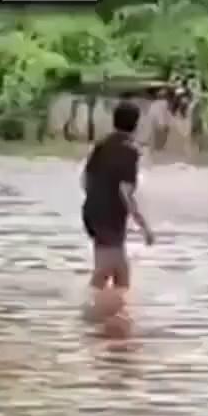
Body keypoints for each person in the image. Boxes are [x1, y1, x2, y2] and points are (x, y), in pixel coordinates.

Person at [81, 100, 154, 298]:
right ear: (136, 124)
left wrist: (97, 199)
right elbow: (125, 192)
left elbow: (85, 180)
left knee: (121, 275)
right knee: (105, 271)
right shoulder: (130, 150)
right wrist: (143, 226)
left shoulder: (102, 144)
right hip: (110, 216)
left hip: (93, 211)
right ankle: (86, 310)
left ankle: (113, 317)